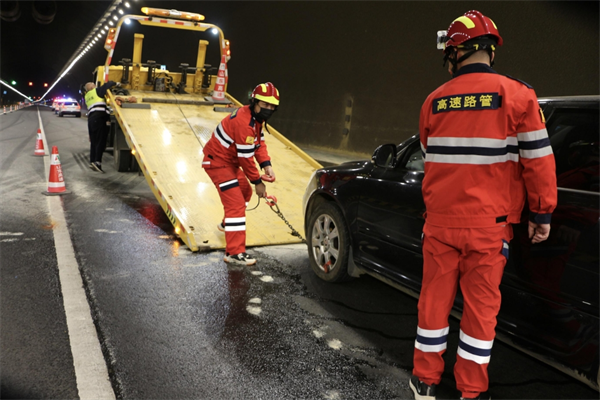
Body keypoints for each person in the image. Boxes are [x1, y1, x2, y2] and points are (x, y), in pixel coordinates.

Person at [409, 10, 557, 400]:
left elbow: (429, 154)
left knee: (433, 305)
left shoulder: (433, 101)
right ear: (490, 51)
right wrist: (541, 212)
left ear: (457, 51)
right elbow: (538, 161)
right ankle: (470, 391)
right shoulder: (518, 96)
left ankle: (424, 380)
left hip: (439, 224)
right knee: (480, 312)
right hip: (488, 227)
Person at [202, 82, 279, 266]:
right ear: (255, 102)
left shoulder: (255, 119)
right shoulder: (244, 123)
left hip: (229, 162)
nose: (268, 109)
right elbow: (246, 158)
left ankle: (227, 223)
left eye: (272, 106)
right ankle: (234, 253)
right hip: (218, 163)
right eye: (265, 104)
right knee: (236, 204)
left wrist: (266, 165)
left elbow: (258, 144)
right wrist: (258, 182)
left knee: (245, 192)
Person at [82, 80, 120, 172]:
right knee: (101, 141)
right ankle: (97, 163)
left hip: (91, 120)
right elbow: (108, 84)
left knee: (94, 141)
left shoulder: (87, 96)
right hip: (99, 119)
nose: (94, 84)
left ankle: (92, 161)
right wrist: (117, 84)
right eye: (93, 84)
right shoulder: (96, 91)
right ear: (91, 87)